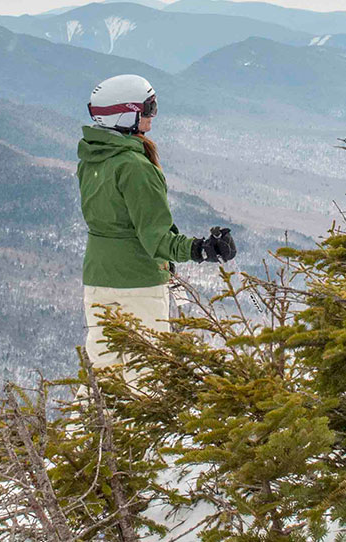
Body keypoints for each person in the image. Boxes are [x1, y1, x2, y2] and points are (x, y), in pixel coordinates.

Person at [78, 74, 236, 368]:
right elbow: (157, 239)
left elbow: (116, 225)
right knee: (146, 379)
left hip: (98, 280)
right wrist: (203, 248)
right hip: (138, 285)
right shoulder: (135, 167)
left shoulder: (91, 160)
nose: (152, 117)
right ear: (125, 112)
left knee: (105, 375)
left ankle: (87, 416)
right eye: (148, 108)